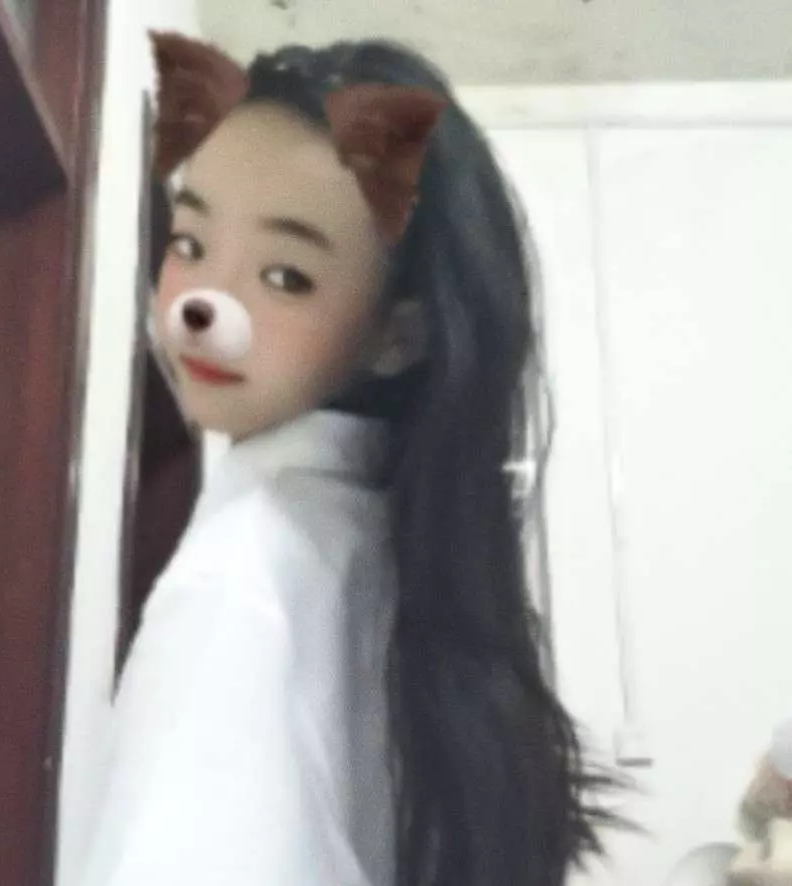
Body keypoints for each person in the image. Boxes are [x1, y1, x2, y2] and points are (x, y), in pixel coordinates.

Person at [78, 32, 617, 886]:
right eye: (190, 243)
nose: (205, 303)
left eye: (285, 276)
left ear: (398, 335)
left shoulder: (238, 583)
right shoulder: (385, 552)